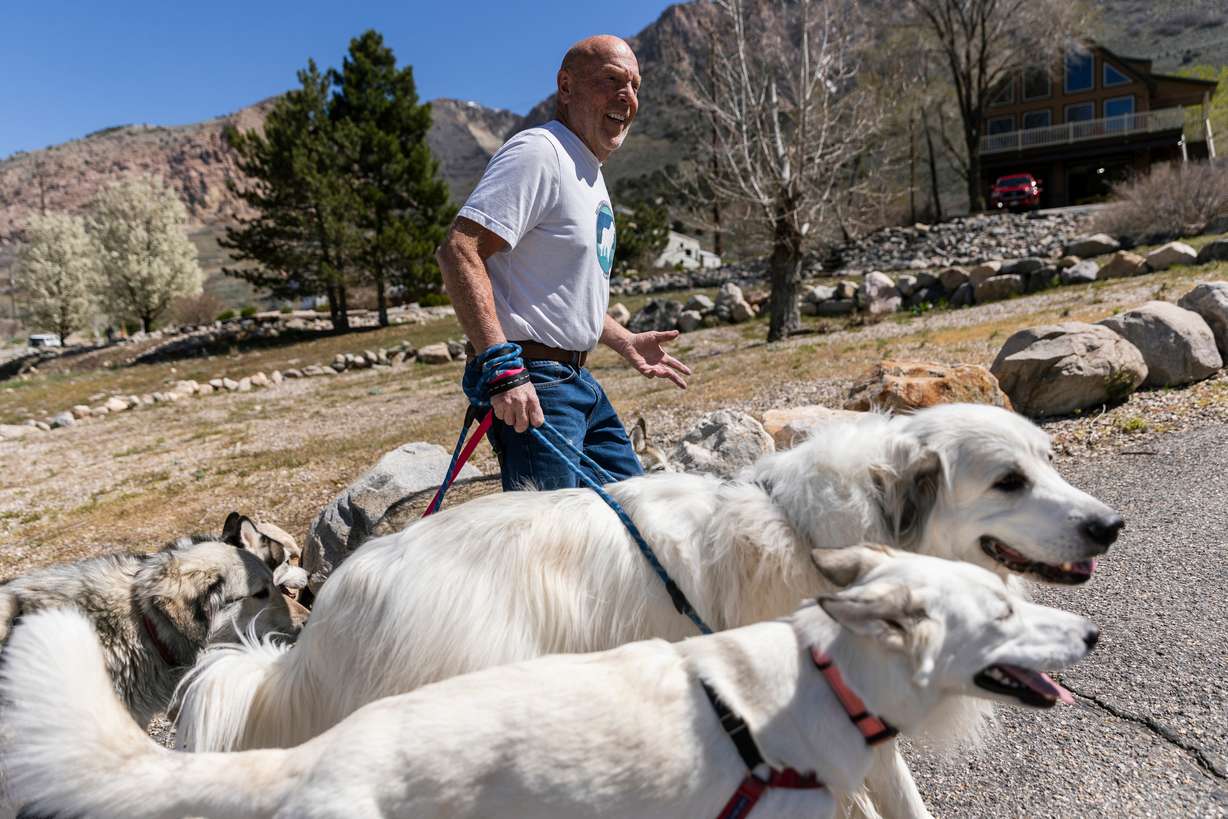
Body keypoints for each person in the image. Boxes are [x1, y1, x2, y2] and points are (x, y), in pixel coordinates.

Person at [436, 34, 690, 491]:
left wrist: (623, 339)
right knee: (547, 548)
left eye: (634, 86)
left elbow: (558, 288)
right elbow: (459, 250)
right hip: (535, 382)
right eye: (611, 81)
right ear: (566, 86)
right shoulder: (540, 152)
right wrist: (501, 368)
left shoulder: (588, 169)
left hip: (576, 380)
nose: (626, 97)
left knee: (632, 517)